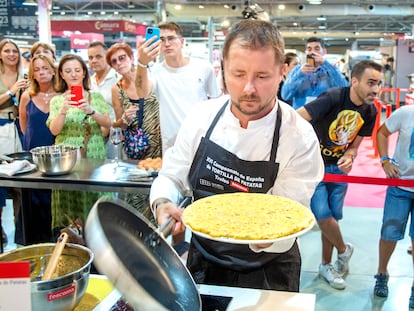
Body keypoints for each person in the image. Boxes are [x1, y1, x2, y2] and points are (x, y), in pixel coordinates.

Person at [149, 19, 324, 291]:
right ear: (222, 71)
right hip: (205, 259)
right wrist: (162, 203)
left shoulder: (298, 137)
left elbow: (289, 214)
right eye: (238, 74)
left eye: (262, 76)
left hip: (270, 266)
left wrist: (263, 234)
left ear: (282, 72)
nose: (249, 89)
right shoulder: (201, 118)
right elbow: (172, 175)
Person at [296, 60, 383, 290]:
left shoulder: (371, 110)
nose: (375, 89)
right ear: (354, 81)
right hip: (315, 168)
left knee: (332, 219)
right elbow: (297, 117)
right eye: (371, 83)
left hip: (338, 171)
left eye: (379, 84)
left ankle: (326, 265)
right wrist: (304, 150)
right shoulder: (333, 97)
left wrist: (351, 155)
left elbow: (355, 144)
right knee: (323, 216)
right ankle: (344, 251)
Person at [46, 54, 112, 234]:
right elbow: (54, 130)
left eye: (77, 70)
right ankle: (72, 244)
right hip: (67, 161)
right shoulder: (57, 100)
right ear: (61, 74)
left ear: (84, 72)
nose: (73, 74)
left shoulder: (95, 97)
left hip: (93, 156)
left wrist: (90, 111)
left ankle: (96, 244)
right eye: (68, 71)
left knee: (94, 200)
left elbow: (107, 123)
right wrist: (63, 111)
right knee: (70, 202)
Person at [136, 21, 222, 154]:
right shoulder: (155, 71)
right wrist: (142, 63)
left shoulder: (203, 67)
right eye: (161, 40)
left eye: (171, 38)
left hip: (202, 140)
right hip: (172, 145)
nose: (167, 44)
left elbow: (216, 102)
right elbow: (142, 93)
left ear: (181, 41)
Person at [106, 42, 161, 223]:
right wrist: (125, 119)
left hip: (159, 143)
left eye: (122, 58)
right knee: (137, 198)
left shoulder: (150, 77)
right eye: (114, 61)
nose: (119, 63)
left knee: (159, 194)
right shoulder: (117, 89)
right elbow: (118, 123)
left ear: (131, 58)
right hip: (136, 149)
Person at [373, 104, 414, 309]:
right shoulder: (406, 113)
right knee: (389, 232)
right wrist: (385, 161)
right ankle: (382, 273)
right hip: (400, 186)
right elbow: (382, 133)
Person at [17, 53, 58, 243]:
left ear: (53, 70)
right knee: (32, 203)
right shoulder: (27, 96)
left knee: (54, 202)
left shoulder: (61, 96)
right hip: (34, 157)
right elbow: (24, 126)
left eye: (45, 68)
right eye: (37, 69)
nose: (42, 72)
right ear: (32, 74)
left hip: (57, 158)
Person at [0, 39, 27, 245]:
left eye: (14, 51)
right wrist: (10, 92)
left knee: (21, 183)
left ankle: (20, 233)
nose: (11, 54)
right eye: (7, 51)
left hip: (18, 128)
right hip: (1, 127)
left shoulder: (23, 75)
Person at [281, 37, 348, 109]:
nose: (312, 52)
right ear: (306, 52)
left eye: (317, 49)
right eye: (309, 49)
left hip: (324, 115)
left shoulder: (331, 70)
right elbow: (285, 95)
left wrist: (325, 63)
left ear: (324, 52)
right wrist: (300, 74)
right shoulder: (297, 70)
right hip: (301, 116)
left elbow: (344, 90)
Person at [87, 41, 119, 158]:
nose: (94, 60)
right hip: (94, 137)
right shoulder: (89, 82)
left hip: (115, 136)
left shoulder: (118, 78)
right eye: (90, 57)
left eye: (98, 56)